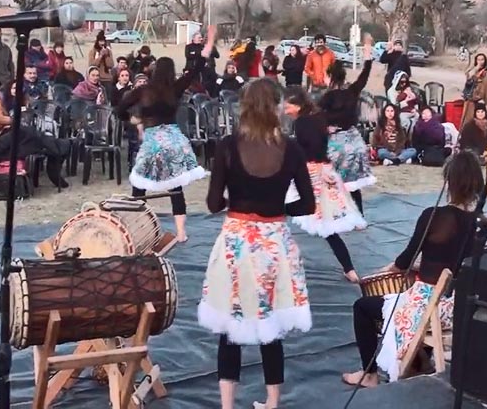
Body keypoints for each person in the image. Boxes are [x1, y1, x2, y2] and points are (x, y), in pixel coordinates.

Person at [199, 78, 316, 409]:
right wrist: (277, 207)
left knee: (230, 326)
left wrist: (236, 199)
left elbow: (211, 203)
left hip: (236, 242)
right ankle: (272, 402)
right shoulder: (291, 149)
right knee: (271, 325)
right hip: (274, 244)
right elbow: (308, 205)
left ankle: (226, 405)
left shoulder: (226, 145)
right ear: (276, 107)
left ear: (245, 107)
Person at [342, 150, 482, 387]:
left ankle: (370, 374)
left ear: (449, 181)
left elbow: (405, 261)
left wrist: (388, 268)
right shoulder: (480, 222)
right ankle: (419, 359)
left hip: (429, 304)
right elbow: (455, 261)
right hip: (457, 305)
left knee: (363, 308)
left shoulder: (434, 216)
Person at [116, 26, 216, 242]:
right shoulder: (175, 88)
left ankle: (136, 230)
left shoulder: (143, 91)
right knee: (175, 186)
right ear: (171, 72)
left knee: (139, 185)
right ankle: (181, 232)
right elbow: (195, 69)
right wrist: (207, 47)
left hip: (153, 141)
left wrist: (133, 119)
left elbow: (119, 109)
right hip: (173, 141)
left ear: (154, 71)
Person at [284, 87, 366, 283]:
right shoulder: (318, 118)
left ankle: (275, 259)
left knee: (282, 211)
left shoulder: (303, 123)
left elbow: (312, 149)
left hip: (311, 173)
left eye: (288, 107)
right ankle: (349, 269)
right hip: (321, 170)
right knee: (327, 228)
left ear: (297, 106)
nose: (285, 111)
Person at [318, 39, 374, 215]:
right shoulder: (352, 92)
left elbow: (319, 117)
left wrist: (326, 126)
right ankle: (358, 214)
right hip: (355, 142)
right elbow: (363, 77)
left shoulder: (328, 98)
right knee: (352, 182)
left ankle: (336, 213)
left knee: (332, 179)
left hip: (338, 144)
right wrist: (367, 58)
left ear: (330, 77)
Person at [460, 52, 487, 126]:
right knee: (467, 119)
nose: (480, 62)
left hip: (478, 99)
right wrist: (475, 70)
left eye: (482, 60)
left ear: (485, 61)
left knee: (478, 119)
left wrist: (478, 97)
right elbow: (468, 81)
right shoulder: (473, 70)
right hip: (469, 97)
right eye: (478, 60)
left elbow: (486, 87)